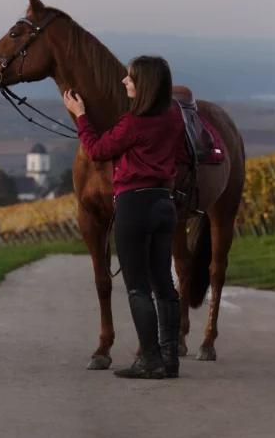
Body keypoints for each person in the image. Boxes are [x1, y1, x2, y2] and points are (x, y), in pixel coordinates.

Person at [62, 55, 186, 380]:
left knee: (137, 288)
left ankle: (150, 361)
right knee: (164, 283)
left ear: (144, 84)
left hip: (135, 205)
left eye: (130, 78)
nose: (124, 81)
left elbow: (97, 150)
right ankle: (170, 360)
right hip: (164, 203)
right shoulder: (174, 115)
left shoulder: (133, 123)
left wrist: (81, 117)